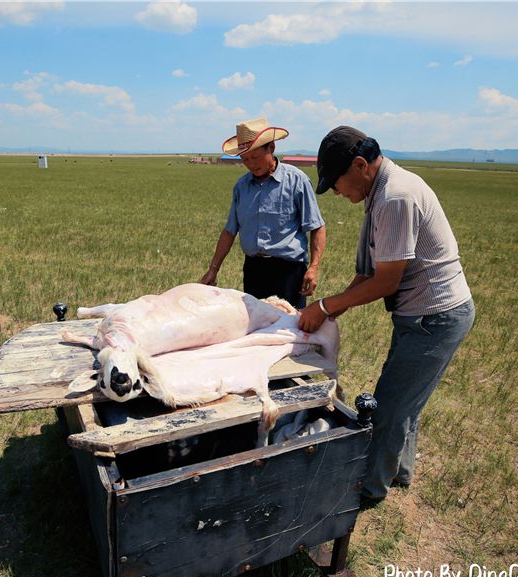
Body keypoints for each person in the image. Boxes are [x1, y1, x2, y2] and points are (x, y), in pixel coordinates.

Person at [298, 126, 475, 509]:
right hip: (423, 315)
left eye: (338, 184)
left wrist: (325, 307)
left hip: (435, 317)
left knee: (391, 405)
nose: (339, 194)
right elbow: (370, 273)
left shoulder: (395, 198)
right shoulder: (382, 191)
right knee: (406, 399)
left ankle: (368, 489)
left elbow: (386, 280)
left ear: (361, 165)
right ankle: (398, 473)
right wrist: (333, 307)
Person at [199, 118, 325, 309]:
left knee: (288, 330)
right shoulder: (241, 187)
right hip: (254, 270)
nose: (250, 164)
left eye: (255, 156)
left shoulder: (297, 181)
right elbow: (229, 231)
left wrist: (314, 267)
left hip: (289, 272)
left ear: (271, 148)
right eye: (244, 159)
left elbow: (316, 226)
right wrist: (213, 270)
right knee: (256, 329)